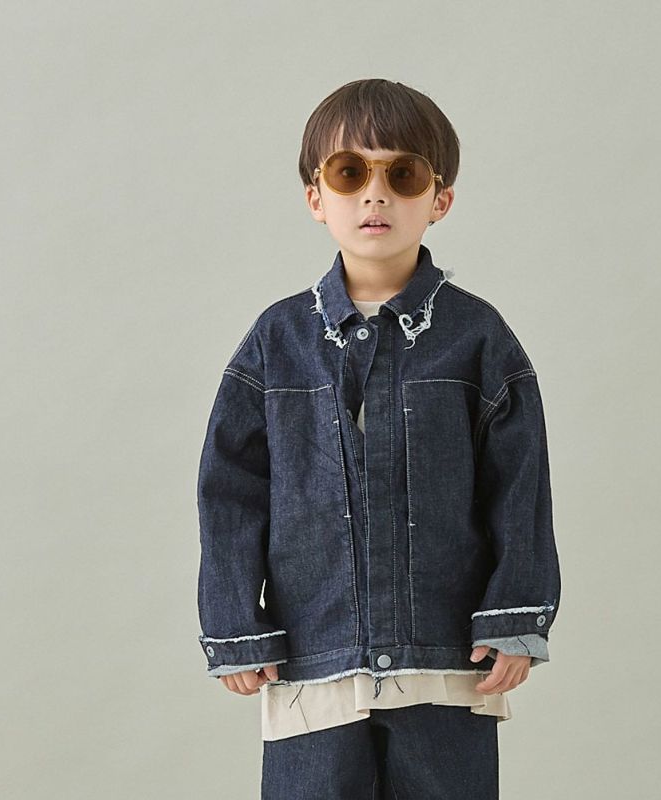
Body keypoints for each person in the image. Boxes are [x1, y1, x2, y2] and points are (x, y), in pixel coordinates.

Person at [196, 78, 562, 799]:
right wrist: (235, 621)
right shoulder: (276, 342)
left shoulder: (478, 338)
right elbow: (231, 490)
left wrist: (516, 615)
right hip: (314, 657)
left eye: (403, 175)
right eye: (349, 173)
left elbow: (519, 485)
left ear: (440, 199)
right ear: (316, 197)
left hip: (445, 657)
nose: (375, 195)